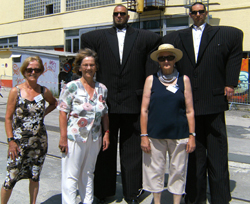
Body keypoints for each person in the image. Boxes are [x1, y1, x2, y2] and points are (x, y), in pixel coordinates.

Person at [162, 2, 243, 204]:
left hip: (214, 101)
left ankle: (220, 197)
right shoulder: (177, 37)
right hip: (190, 105)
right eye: (194, 12)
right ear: (190, 15)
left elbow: (234, 58)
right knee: (194, 154)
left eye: (201, 11)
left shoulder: (224, 35)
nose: (198, 14)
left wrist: (230, 83)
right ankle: (195, 197)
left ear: (206, 13)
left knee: (217, 152)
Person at [81, 4, 161, 204]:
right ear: (113, 16)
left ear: (128, 16)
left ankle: (132, 192)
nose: (119, 16)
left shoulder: (142, 37)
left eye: (122, 13)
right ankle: (103, 191)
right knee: (105, 149)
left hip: (132, 102)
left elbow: (157, 41)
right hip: (107, 104)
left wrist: (147, 87)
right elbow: (85, 39)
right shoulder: (100, 38)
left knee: (132, 150)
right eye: (116, 13)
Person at [140, 44, 196, 204]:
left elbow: (190, 110)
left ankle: (176, 202)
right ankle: (157, 202)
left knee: (178, 170)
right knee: (154, 171)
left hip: (180, 135)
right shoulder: (151, 80)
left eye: (169, 57)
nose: (166, 61)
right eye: (162, 58)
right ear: (158, 61)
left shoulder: (184, 80)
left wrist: (192, 135)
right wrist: (143, 135)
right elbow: (144, 110)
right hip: (154, 135)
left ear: (174, 60)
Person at [1, 56, 57, 204]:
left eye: (37, 70)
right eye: (29, 69)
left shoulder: (44, 91)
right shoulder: (16, 91)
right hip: (18, 144)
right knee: (11, 178)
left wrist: (41, 115)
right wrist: (11, 141)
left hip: (39, 144)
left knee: (34, 176)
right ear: (24, 71)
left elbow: (54, 103)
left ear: (41, 72)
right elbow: (8, 118)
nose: (33, 72)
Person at [57, 48, 110, 204]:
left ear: (96, 67)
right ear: (79, 67)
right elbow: (62, 113)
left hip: (94, 137)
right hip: (74, 137)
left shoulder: (102, 88)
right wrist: (63, 137)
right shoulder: (71, 87)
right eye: (85, 65)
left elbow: (105, 113)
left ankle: (88, 201)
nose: (88, 68)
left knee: (88, 172)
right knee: (71, 174)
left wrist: (106, 133)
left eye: (92, 65)